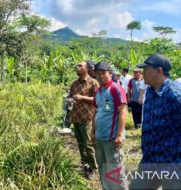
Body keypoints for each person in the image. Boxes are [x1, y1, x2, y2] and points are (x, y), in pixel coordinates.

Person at [130, 54, 181, 190]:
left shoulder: (175, 94)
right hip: (150, 159)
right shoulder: (151, 90)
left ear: (159, 71)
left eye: (146, 69)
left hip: (172, 163)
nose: (142, 73)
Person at [92, 61, 128, 190]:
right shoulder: (98, 91)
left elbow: (123, 111)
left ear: (110, 73)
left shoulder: (115, 89)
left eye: (103, 73)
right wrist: (93, 132)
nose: (101, 76)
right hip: (100, 137)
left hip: (112, 138)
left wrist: (119, 135)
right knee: (103, 169)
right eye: (98, 74)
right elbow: (96, 112)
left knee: (115, 172)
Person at [68, 60, 98, 179]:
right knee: (80, 143)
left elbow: (97, 99)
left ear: (87, 69)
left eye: (80, 66)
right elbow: (70, 96)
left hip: (87, 118)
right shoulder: (74, 83)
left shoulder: (93, 83)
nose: (77, 67)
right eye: (77, 65)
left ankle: (93, 168)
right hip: (76, 117)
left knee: (88, 144)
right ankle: (84, 164)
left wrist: (82, 97)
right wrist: (70, 100)